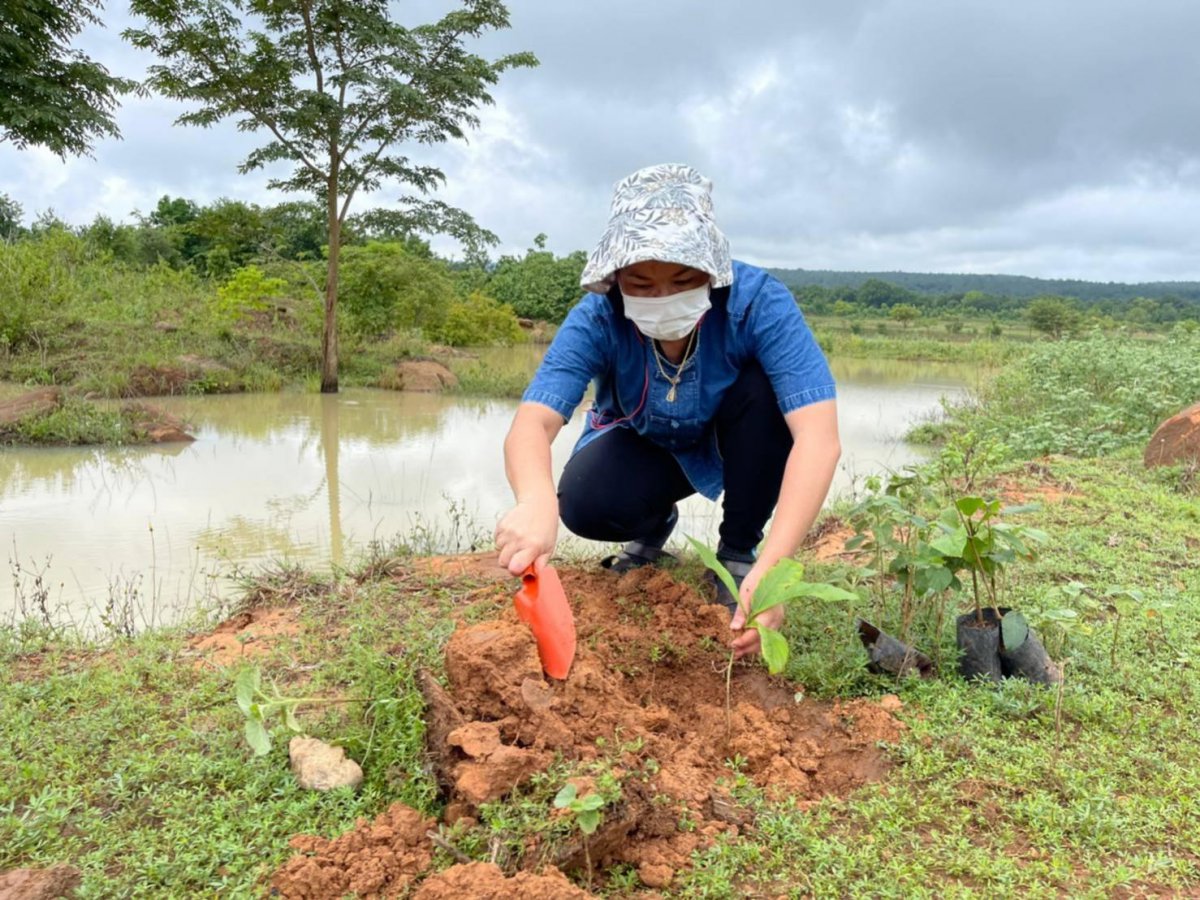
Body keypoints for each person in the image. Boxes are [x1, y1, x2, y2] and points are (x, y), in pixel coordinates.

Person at [495, 163, 840, 659]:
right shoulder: (596, 317)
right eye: (640, 283)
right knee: (583, 502)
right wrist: (535, 501)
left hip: (737, 442)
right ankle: (652, 525)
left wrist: (776, 568)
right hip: (649, 442)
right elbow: (535, 420)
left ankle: (739, 552)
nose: (663, 298)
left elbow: (818, 437)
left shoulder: (760, 303)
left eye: (683, 279)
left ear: (712, 272)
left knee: (768, 393)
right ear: (615, 280)